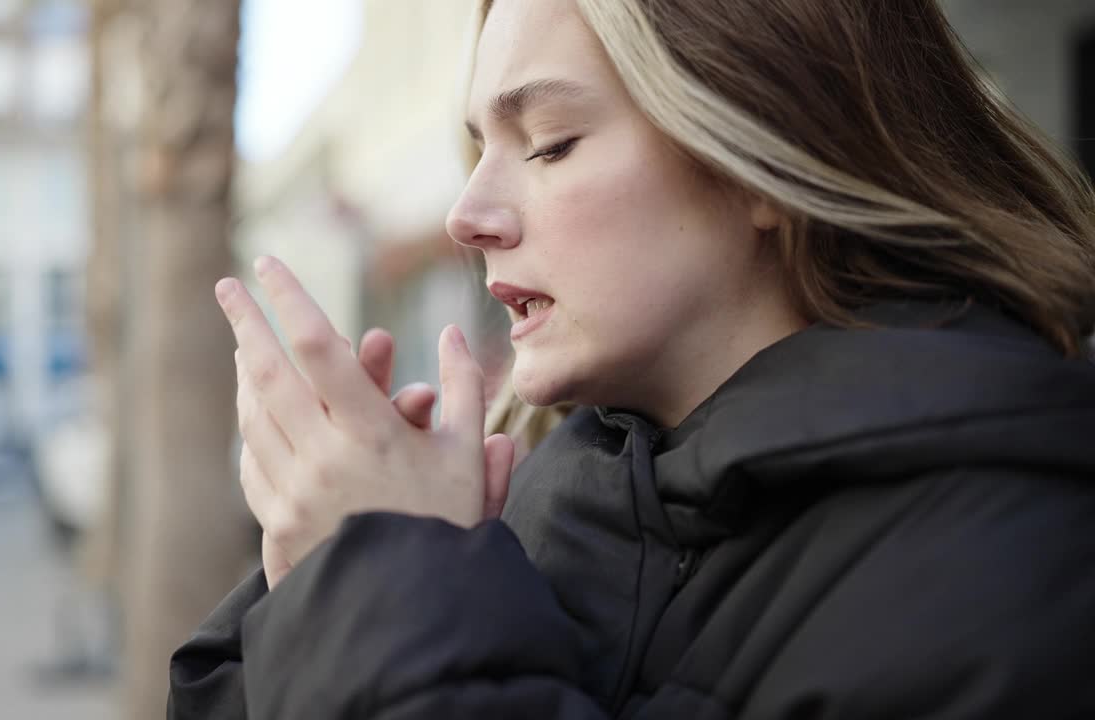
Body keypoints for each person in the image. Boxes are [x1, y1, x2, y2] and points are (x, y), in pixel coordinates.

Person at [167, 0, 1095, 717]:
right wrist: (312, 578)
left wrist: (378, 597)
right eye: (478, 148)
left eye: (550, 144)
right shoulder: (542, 501)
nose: (467, 214)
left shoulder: (1007, 575)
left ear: (760, 156)